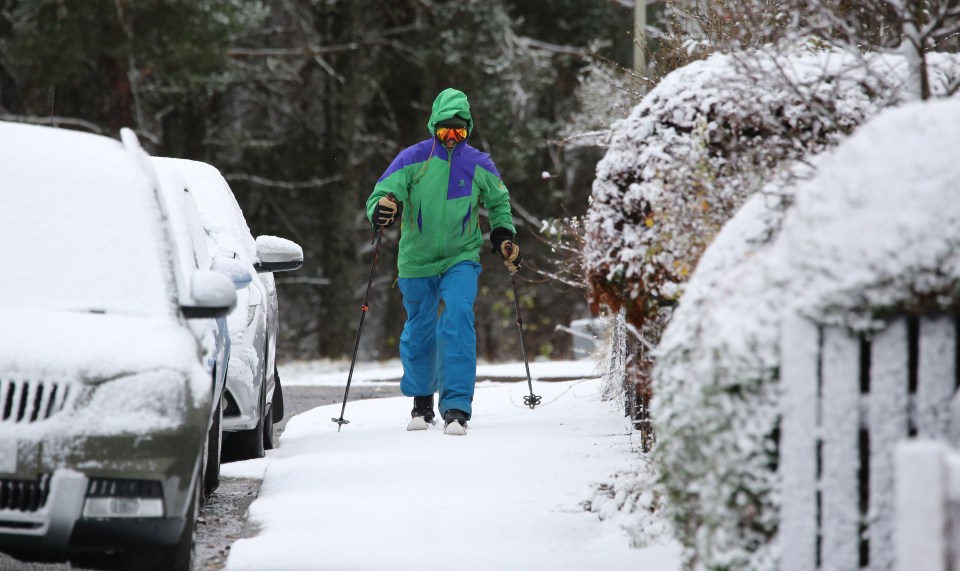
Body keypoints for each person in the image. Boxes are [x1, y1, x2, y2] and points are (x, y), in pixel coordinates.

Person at [365, 87, 521, 435]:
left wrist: (503, 235)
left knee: (458, 316)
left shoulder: (478, 163)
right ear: (433, 126)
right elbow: (381, 194)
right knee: (419, 330)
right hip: (417, 260)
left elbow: (498, 203)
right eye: (445, 130)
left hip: (460, 256)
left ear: (468, 129)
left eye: (460, 131)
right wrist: (382, 211)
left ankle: (456, 407)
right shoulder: (412, 159)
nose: (452, 138)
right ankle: (422, 403)